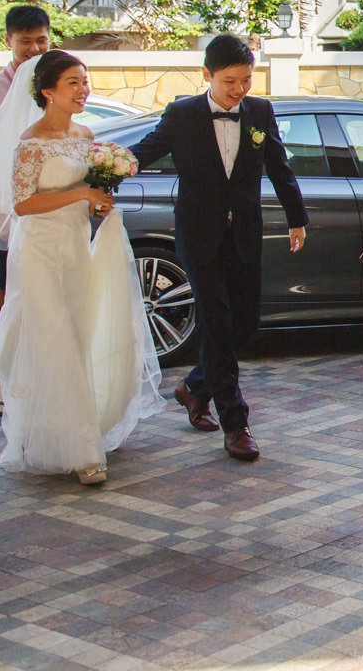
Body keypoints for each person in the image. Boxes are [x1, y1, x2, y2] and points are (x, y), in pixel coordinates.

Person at [0, 51, 165, 484]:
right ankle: (83, 452)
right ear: (48, 91)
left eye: (85, 81)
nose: (83, 90)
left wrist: (98, 202)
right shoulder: (31, 141)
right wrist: (81, 194)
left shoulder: (85, 135)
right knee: (54, 334)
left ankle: (52, 429)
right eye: (73, 83)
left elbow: (87, 194)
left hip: (76, 247)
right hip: (38, 252)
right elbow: (23, 205)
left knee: (73, 336)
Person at [127, 35, 307, 462]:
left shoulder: (260, 111)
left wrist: (296, 217)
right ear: (206, 75)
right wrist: (102, 169)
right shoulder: (182, 114)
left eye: (246, 80)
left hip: (244, 232)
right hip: (198, 235)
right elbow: (143, 152)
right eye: (230, 82)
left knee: (244, 324)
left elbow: (279, 166)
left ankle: (193, 387)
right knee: (215, 324)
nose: (239, 90)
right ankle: (235, 423)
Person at [0, 4, 52, 417]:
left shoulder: (56, 84)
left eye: (41, 40)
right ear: (8, 41)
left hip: (50, 211)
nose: (34, 49)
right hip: (5, 211)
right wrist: (8, 213)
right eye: (26, 42)